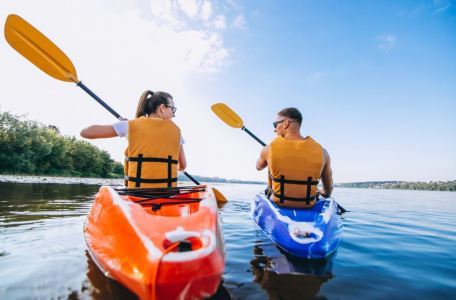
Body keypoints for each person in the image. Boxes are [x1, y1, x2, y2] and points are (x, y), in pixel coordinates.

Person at [80, 90, 187, 188]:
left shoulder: (130, 126)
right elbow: (183, 165)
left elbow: (85, 133)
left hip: (136, 194)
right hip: (167, 195)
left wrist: (126, 127)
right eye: (172, 109)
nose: (173, 113)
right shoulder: (177, 132)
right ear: (162, 107)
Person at [256, 107, 333, 208]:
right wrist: (321, 193)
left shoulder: (268, 150)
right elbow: (328, 190)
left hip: (278, 204)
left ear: (286, 123)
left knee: (271, 167)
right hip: (308, 206)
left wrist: (267, 153)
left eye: (275, 125)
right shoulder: (323, 153)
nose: (274, 129)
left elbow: (258, 167)